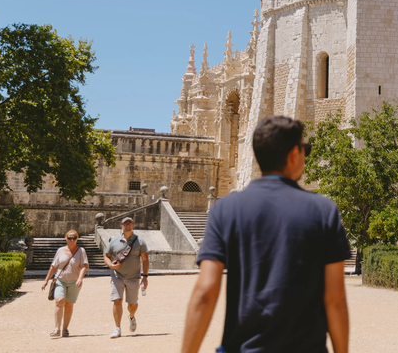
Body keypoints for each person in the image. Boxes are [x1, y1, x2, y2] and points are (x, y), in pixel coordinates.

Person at [181, 116, 351, 353]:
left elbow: (206, 290)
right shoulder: (324, 211)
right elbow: (335, 298)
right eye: (306, 149)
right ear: (294, 154)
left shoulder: (226, 210)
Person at [103, 216, 149, 339]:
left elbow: (145, 260)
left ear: (133, 226)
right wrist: (110, 265)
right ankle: (117, 328)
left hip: (133, 277)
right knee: (117, 301)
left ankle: (132, 316)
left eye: (130, 223)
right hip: (117, 276)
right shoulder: (114, 241)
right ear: (121, 226)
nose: (127, 225)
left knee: (132, 305)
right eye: (125, 224)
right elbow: (107, 256)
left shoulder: (140, 242)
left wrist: (145, 277)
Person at [41, 229, 89, 338]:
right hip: (60, 280)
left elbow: (83, 266)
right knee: (59, 300)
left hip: (74, 282)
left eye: (74, 238)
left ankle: (65, 328)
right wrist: (46, 280)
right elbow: (53, 266)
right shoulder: (60, 250)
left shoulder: (81, 251)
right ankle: (56, 328)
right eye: (69, 238)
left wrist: (80, 278)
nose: (72, 240)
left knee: (68, 305)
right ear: (66, 238)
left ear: (77, 239)